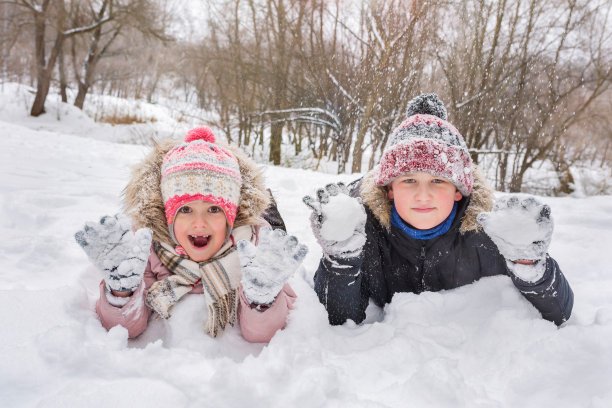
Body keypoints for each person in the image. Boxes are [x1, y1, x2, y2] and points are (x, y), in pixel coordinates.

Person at [304, 94, 573, 326]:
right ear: (390, 189)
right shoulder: (361, 228)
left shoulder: (488, 231)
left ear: (459, 189)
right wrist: (341, 259)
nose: (423, 195)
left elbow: (558, 314)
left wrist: (529, 264)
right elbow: (339, 320)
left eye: (438, 180)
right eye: (409, 180)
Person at [75, 126, 307, 343]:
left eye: (214, 209)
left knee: (273, 224)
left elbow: (263, 334)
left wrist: (263, 300)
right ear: (167, 215)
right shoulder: (149, 247)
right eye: (185, 209)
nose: (199, 223)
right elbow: (126, 329)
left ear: (231, 215)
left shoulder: (255, 245)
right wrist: (121, 291)